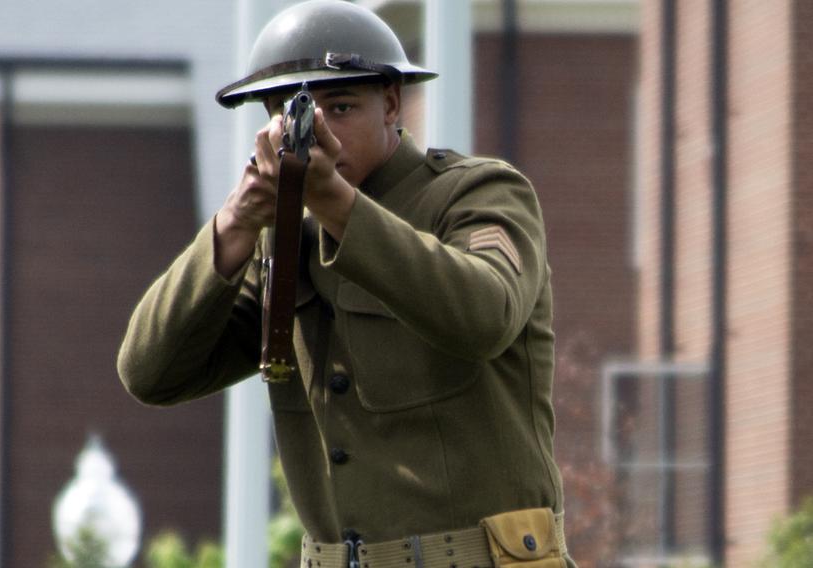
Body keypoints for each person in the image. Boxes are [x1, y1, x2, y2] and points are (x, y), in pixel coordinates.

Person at [117, 1, 576, 566]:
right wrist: (237, 220)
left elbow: (484, 316)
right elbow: (151, 373)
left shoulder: (477, 194)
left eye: (341, 106)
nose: (320, 131)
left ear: (390, 102)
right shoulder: (284, 240)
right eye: (288, 112)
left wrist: (336, 203)